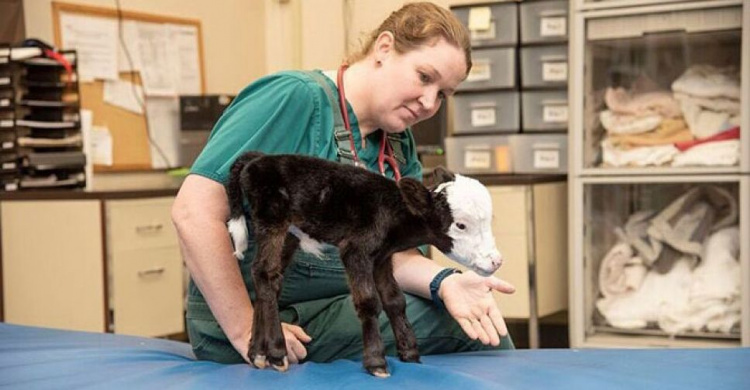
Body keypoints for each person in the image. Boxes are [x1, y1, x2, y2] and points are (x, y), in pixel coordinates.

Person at [171, 2, 515, 366]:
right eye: (425, 77)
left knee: (474, 317)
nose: (430, 102)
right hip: (260, 315)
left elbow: (395, 254)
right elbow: (193, 213)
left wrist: (446, 282)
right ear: (384, 48)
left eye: (444, 94)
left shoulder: (396, 141)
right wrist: (245, 328)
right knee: (472, 335)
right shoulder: (292, 97)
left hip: (335, 304)